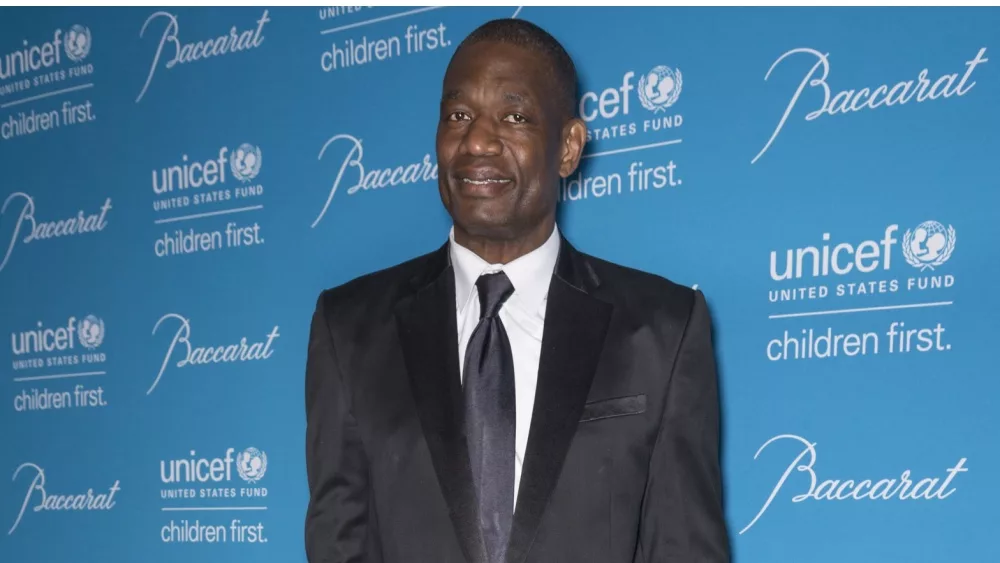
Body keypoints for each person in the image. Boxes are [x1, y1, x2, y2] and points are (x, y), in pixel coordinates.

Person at [304, 17, 730, 563]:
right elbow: (340, 545)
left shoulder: (663, 329)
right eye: (458, 115)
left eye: (514, 116)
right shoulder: (348, 329)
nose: (477, 140)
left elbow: (685, 548)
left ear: (569, 147)